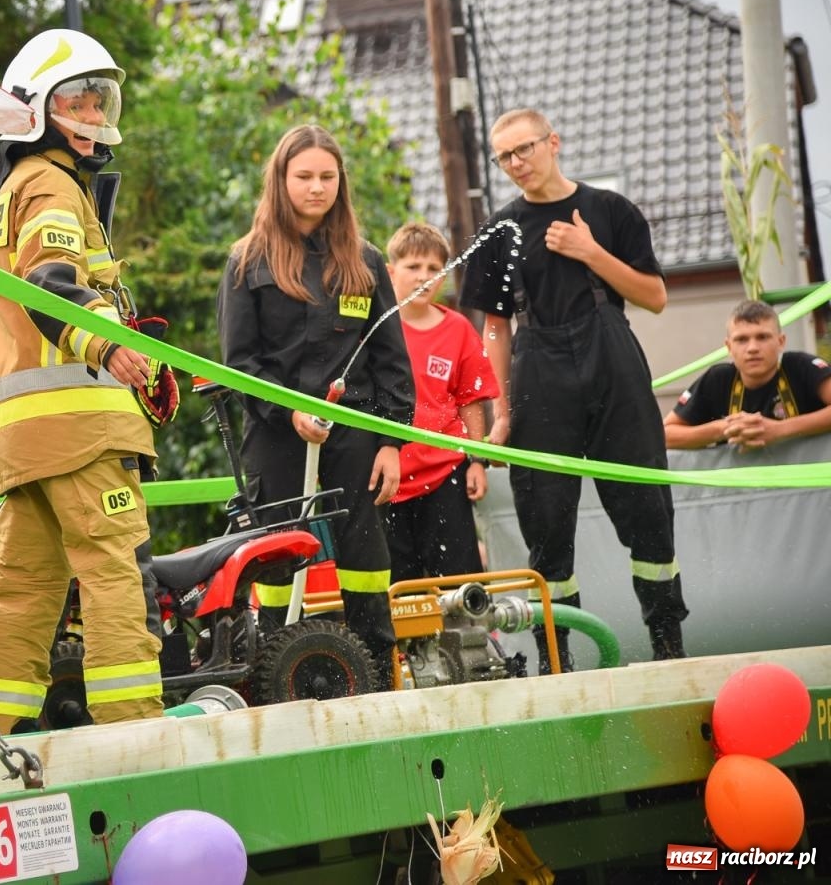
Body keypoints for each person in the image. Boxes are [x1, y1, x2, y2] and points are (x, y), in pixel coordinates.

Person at [0, 28, 176, 735]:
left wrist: (135, 355)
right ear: (33, 110)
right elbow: (50, 285)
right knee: (115, 577)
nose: (91, 119)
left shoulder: (8, 196)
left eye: (98, 101)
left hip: (25, 442)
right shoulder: (53, 185)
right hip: (80, 432)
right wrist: (109, 352)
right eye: (76, 103)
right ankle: (135, 738)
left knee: (22, 598)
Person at [459, 108, 687, 671]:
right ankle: (557, 663)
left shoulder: (612, 212)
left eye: (524, 149)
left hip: (615, 368)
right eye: (504, 157)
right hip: (539, 376)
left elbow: (655, 297)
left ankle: (667, 649)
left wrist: (591, 253)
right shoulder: (499, 232)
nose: (516, 164)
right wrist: (502, 413)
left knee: (648, 515)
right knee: (548, 528)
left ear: (552, 142)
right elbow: (496, 329)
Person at [217, 124, 414, 689]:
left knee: (365, 557)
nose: (316, 187)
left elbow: (390, 362)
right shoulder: (245, 262)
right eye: (304, 176)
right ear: (281, 180)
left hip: (353, 433)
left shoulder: (366, 261)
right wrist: (288, 415)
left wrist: (391, 443)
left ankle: (380, 675)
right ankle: (275, 679)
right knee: (277, 560)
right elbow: (239, 365)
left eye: (328, 177)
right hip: (278, 437)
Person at [382, 221, 499, 582]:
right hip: (388, 478)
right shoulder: (376, 329)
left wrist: (477, 460)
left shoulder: (459, 328)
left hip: (445, 473)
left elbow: (471, 401)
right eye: (413, 267)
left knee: (459, 586)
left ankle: (470, 641)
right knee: (400, 588)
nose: (424, 277)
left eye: (435, 269)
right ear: (391, 272)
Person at [664, 299, 831, 450]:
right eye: (742, 339)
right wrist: (725, 428)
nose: (752, 348)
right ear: (729, 347)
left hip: (807, 482)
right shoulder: (718, 379)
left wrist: (779, 430)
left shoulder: (800, 366)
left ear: (781, 342)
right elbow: (665, 435)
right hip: (740, 484)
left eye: (762, 337)